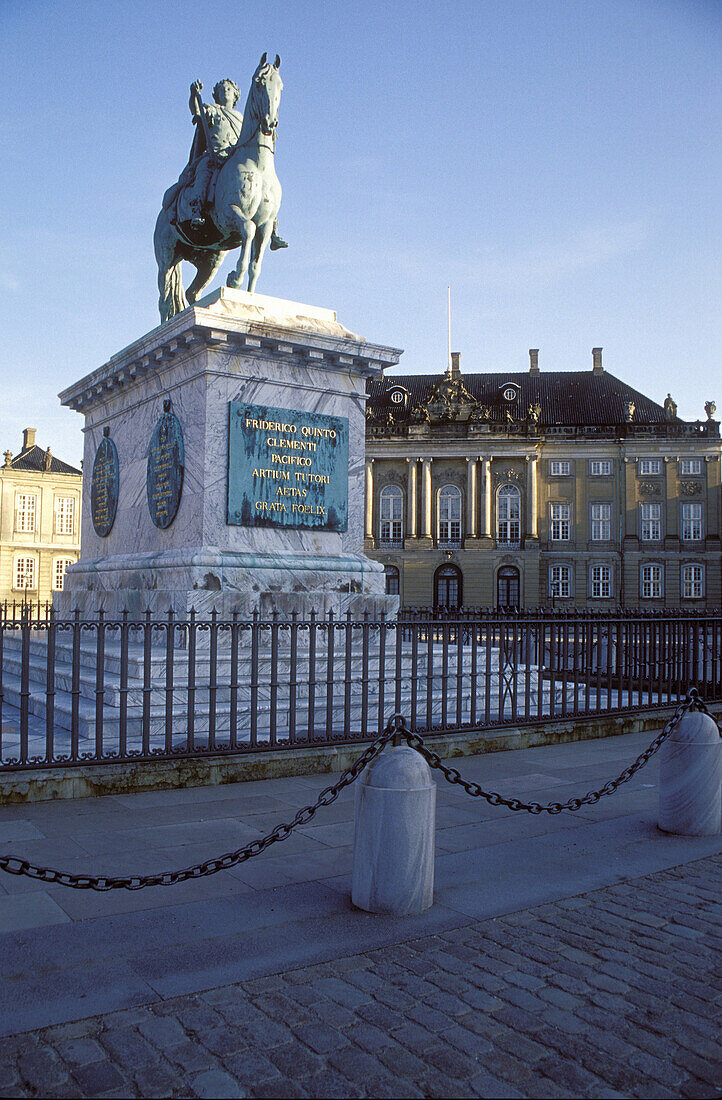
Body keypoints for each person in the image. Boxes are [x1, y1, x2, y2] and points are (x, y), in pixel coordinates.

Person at [165, 78, 288, 248]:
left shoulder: (240, 117)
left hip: (233, 155)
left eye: (229, 89)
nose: (226, 92)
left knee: (261, 182)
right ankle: (196, 209)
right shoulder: (212, 110)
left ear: (236, 95)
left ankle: (271, 226)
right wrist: (194, 94)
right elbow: (196, 111)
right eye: (222, 89)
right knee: (204, 172)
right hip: (213, 155)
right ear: (216, 94)